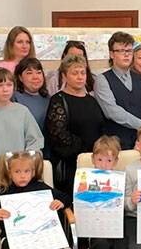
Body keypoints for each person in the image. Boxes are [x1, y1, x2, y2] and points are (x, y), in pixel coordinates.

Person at [45, 55, 105, 196]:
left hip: (94, 162)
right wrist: (84, 149)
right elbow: (58, 135)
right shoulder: (58, 100)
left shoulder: (91, 100)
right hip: (71, 166)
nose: (80, 77)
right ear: (65, 76)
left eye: (83, 73)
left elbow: (100, 127)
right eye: (74, 73)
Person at [86, 135, 129, 249]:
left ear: (116, 161)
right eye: (100, 159)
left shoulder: (120, 180)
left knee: (121, 241)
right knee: (101, 244)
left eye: (109, 160)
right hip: (95, 226)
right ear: (93, 159)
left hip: (116, 223)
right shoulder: (85, 180)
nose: (104, 165)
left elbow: (126, 205)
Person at [93, 32, 141, 149]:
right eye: (121, 51)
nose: (126, 55)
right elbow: (112, 112)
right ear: (112, 54)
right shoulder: (102, 80)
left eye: (129, 51)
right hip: (115, 144)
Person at [12, 58, 51, 159]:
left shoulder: (48, 99)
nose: (35, 77)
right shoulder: (14, 98)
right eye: (29, 73)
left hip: (47, 153)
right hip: (23, 155)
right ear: (20, 77)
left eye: (39, 72)